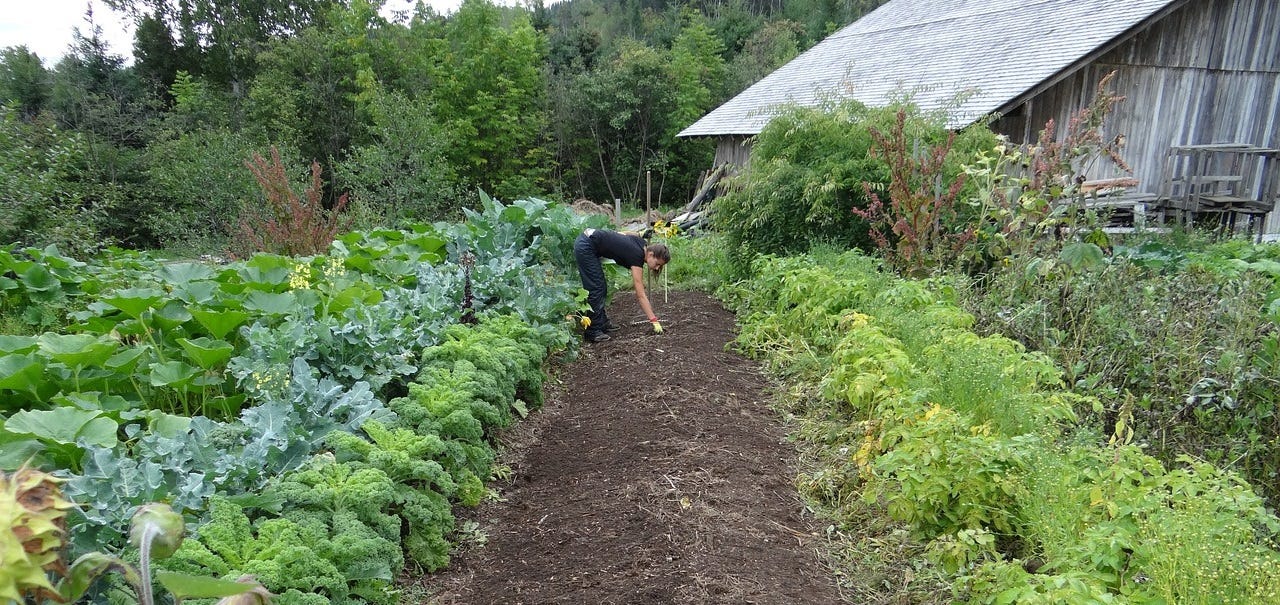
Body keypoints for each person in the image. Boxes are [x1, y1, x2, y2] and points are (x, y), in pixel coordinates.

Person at [573, 227, 669, 343]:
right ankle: (593, 332)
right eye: (657, 264)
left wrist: (639, 233)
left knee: (600, 287)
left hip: (589, 238)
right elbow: (640, 294)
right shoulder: (636, 256)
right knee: (596, 288)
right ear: (651, 254)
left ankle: (602, 323)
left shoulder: (642, 244)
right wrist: (653, 320)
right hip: (586, 246)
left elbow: (623, 233)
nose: (657, 268)